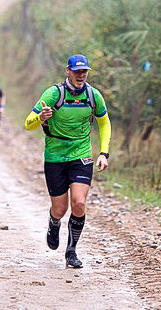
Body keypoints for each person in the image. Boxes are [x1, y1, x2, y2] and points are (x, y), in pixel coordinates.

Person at [24, 54, 111, 268]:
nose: (81, 75)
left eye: (84, 71)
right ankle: (54, 223)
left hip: (81, 154)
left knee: (79, 203)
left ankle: (71, 251)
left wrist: (104, 153)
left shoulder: (93, 95)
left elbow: (104, 124)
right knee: (60, 208)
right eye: (77, 71)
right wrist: (41, 117)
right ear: (68, 71)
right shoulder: (54, 94)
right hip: (55, 156)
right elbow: (28, 123)